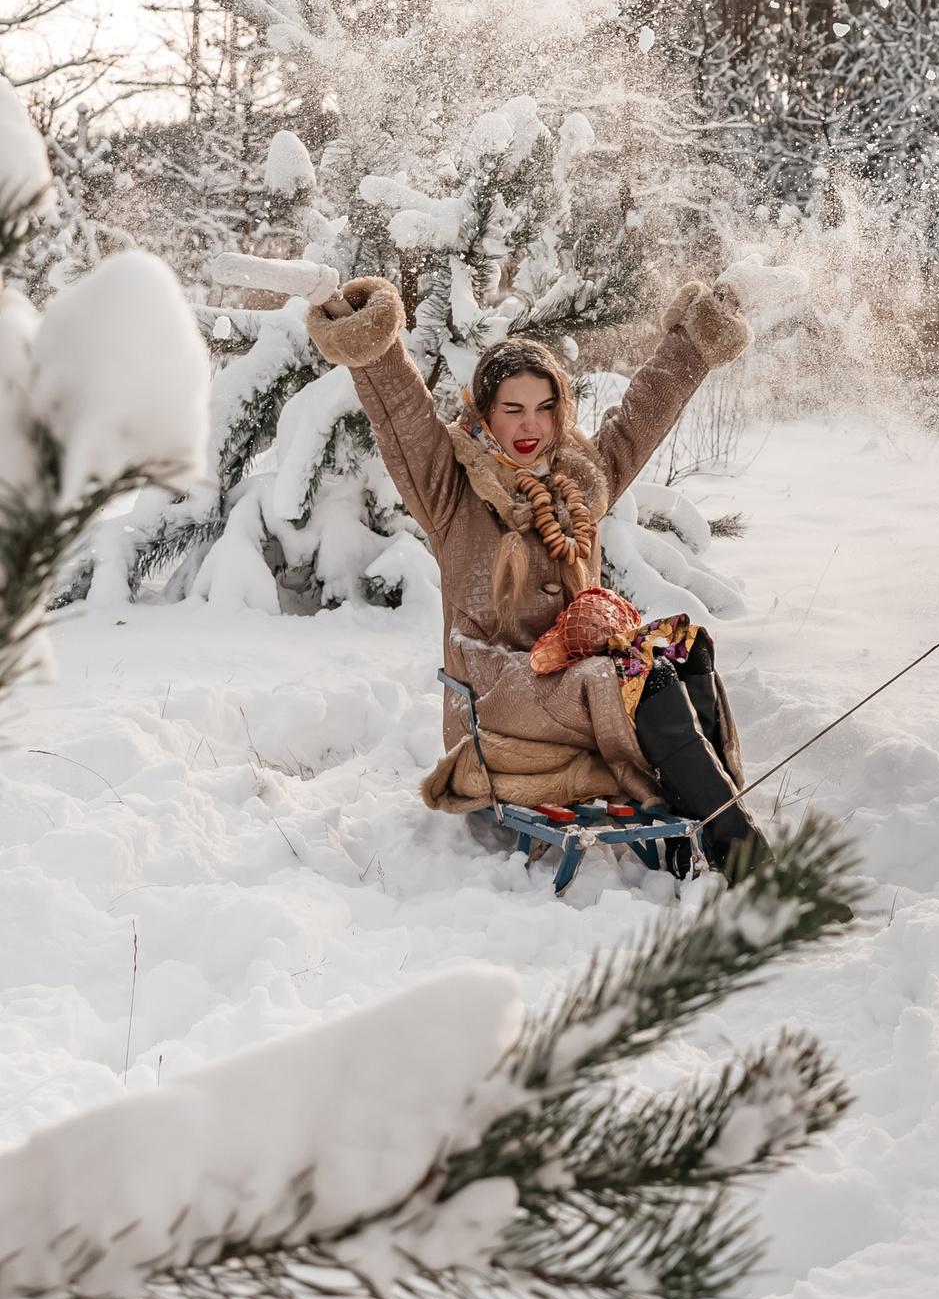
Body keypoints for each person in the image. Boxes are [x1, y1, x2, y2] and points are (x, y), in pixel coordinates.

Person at [308, 275, 761, 869]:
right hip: (498, 691)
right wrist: (364, 337)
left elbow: (647, 412)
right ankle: (747, 859)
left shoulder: (581, 479)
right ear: (485, 412)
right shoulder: (450, 488)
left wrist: (698, 340)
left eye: (546, 408)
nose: (531, 427)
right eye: (513, 409)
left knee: (681, 654)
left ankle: (705, 825)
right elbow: (402, 415)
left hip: (576, 678)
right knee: (634, 681)